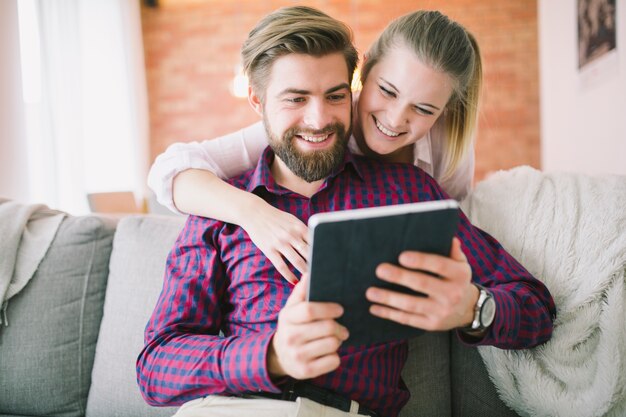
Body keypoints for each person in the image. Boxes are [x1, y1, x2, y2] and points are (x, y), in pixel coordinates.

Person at [137, 6, 555, 417]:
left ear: (351, 89)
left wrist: (471, 307)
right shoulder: (218, 204)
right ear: (256, 100)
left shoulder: (411, 192)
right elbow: (155, 367)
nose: (318, 119)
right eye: (296, 99)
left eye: (335, 96)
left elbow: (535, 308)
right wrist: (270, 356)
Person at [147, 9, 482, 284]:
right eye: (387, 91)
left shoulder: (446, 147)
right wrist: (253, 213)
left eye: (423, 109)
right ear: (364, 72)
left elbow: (455, 235)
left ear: (443, 112)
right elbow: (170, 169)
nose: (395, 120)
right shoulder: (316, 124)